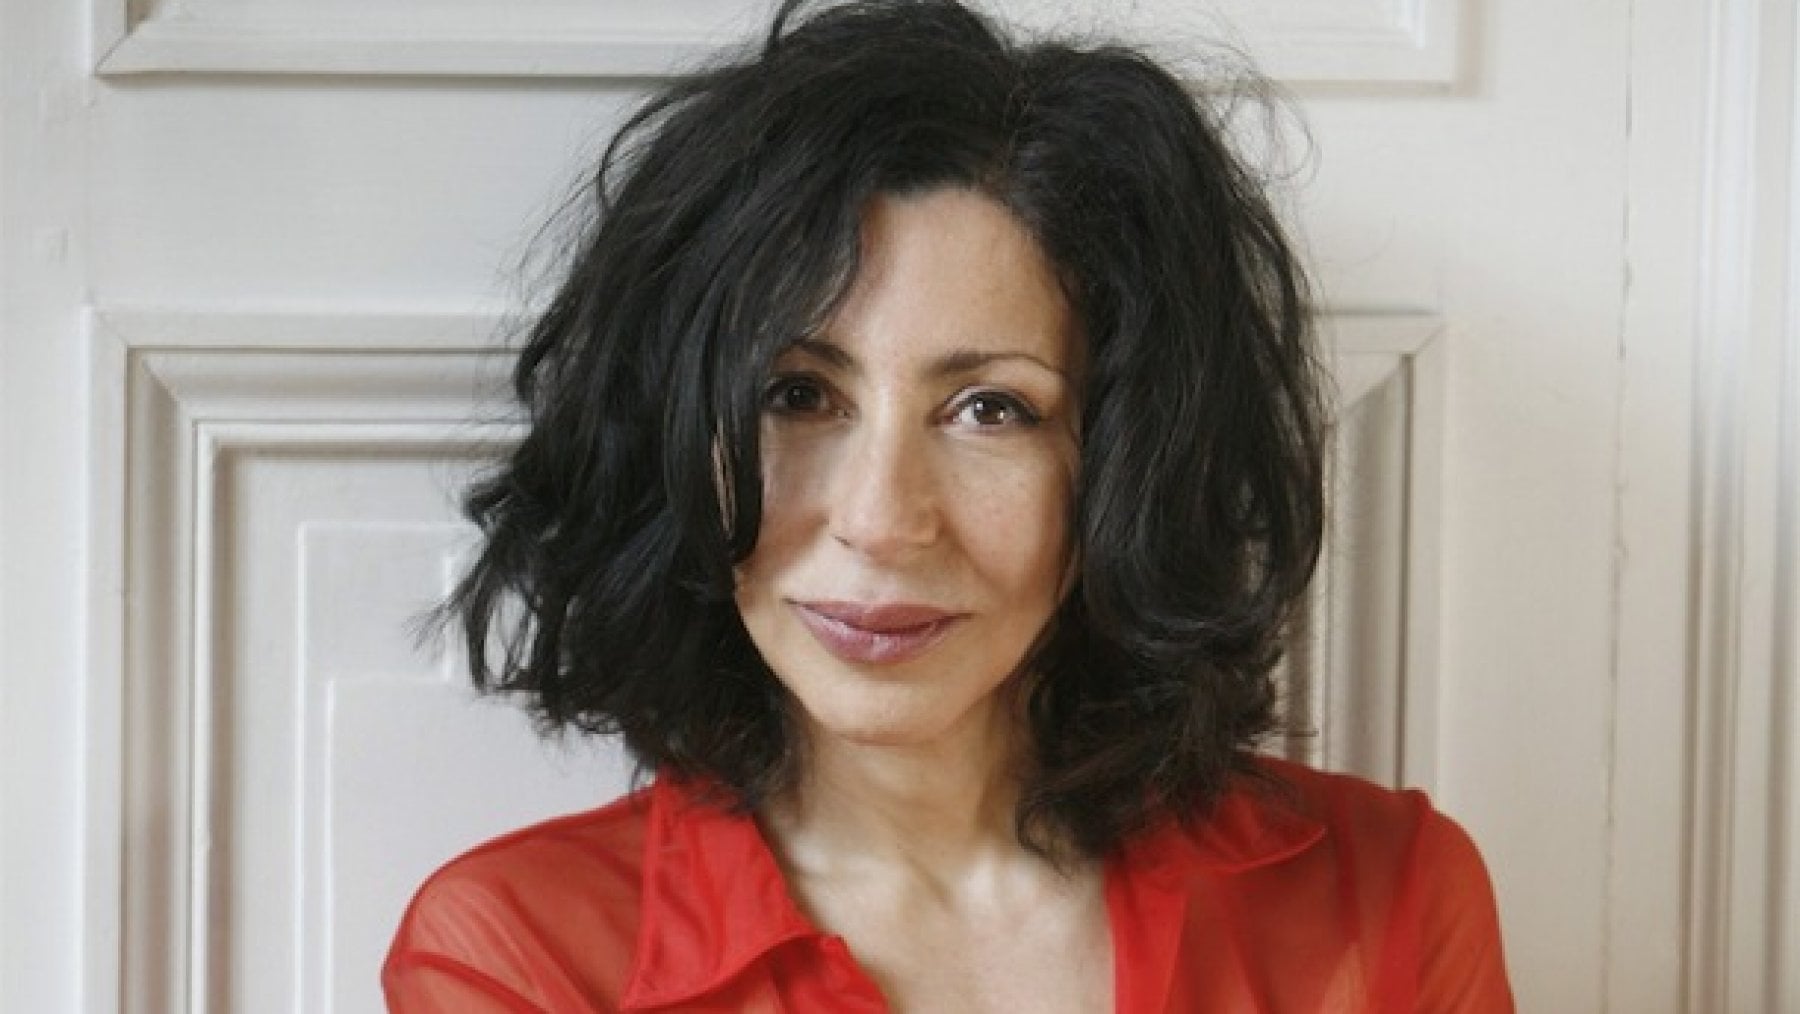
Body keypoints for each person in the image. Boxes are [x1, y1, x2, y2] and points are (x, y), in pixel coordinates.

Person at [382, 1, 1514, 1010]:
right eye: (797, 395)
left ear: (1127, 463)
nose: (882, 519)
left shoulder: (1386, 900)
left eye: (991, 409)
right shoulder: (524, 958)